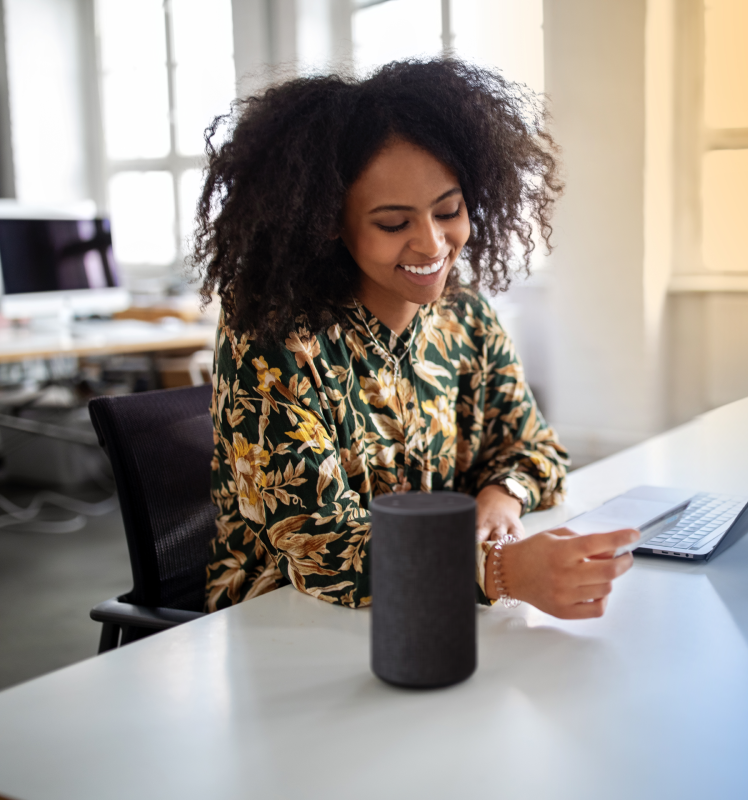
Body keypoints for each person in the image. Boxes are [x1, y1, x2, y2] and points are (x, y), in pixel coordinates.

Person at [193, 59, 637, 619]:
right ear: (329, 220)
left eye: (448, 211)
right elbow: (323, 548)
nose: (432, 246)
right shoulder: (275, 335)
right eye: (393, 223)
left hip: (430, 610)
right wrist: (498, 570)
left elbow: (536, 449)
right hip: (283, 618)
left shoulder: (464, 315)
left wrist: (503, 495)